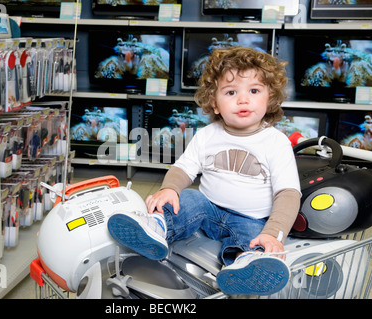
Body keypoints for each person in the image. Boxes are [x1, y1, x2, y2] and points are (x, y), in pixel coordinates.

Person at [107, 47, 301, 296]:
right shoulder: (207, 135)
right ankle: (155, 228)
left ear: (270, 98)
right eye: (231, 92)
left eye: (254, 91)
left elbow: (288, 193)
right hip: (208, 207)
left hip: (251, 218)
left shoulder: (275, 142)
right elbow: (184, 167)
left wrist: (273, 234)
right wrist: (169, 188)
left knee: (255, 239)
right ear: (215, 103)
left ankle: (246, 264)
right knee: (186, 200)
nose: (243, 100)